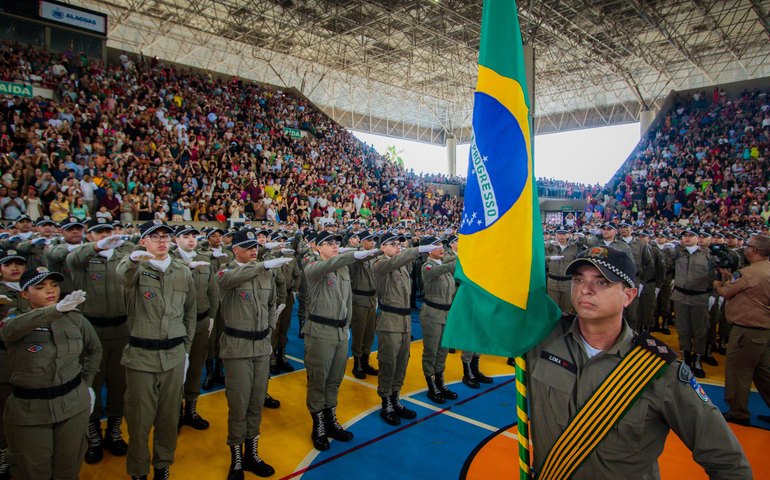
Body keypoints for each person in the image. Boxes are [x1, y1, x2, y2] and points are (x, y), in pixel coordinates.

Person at [527, 246, 752, 479]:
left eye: (602, 282)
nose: (585, 289)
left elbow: (728, 462)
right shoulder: (542, 340)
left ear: (628, 296)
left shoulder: (658, 370)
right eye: (578, 279)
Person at [2, 272, 101, 480]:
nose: (50, 290)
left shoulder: (74, 318)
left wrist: (88, 384)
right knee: (33, 469)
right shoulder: (14, 319)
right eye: (40, 287)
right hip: (31, 410)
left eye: (54, 285)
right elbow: (10, 331)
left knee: (69, 466)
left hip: (73, 403)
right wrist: (54, 310)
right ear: (25, 294)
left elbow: (94, 349)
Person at [117, 219, 196, 480]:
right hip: (141, 357)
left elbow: (189, 312)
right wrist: (132, 259)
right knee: (139, 421)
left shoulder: (182, 271)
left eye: (165, 236)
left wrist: (186, 349)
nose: (162, 241)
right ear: (143, 241)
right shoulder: (136, 269)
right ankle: (139, 472)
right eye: (155, 236)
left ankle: (163, 466)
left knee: (169, 418)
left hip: (173, 356)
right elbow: (122, 276)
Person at [216, 229, 292, 479]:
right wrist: (262, 266)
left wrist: (269, 329)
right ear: (234, 249)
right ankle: (236, 458)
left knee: (256, 402)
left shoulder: (264, 273)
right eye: (248, 246)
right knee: (239, 404)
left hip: (260, 346)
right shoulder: (225, 271)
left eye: (255, 246)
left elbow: (271, 305)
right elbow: (228, 281)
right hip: (237, 348)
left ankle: (252, 454)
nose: (253, 250)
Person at [302, 231, 379, 450]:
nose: (334, 245)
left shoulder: (343, 268)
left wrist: (346, 327)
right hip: (320, 331)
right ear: (317, 247)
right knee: (318, 380)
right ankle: (318, 425)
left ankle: (330, 420)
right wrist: (354, 254)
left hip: (340, 332)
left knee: (334, 379)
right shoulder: (312, 266)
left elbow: (347, 300)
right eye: (328, 243)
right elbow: (329, 264)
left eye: (336, 242)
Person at [66, 217, 130, 464]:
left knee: (119, 384)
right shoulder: (83, 258)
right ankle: (93, 436)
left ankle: (114, 431)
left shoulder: (123, 256)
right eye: (98, 232)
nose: (104, 235)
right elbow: (73, 259)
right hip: (91, 330)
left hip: (121, 328)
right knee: (91, 383)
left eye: (108, 231)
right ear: (89, 235)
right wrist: (95, 247)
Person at [372, 232, 440, 426]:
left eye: (399, 244)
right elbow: (394, 262)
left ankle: (396, 398)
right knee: (388, 361)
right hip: (389, 319)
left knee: (402, 361)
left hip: (405, 320)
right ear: (382, 247)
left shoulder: (401, 266)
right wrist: (418, 249)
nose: (397, 246)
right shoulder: (379, 264)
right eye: (392, 244)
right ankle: (386, 402)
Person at [715, 235, 770, 426]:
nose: (746, 248)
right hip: (764, 330)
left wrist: (717, 284)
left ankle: (738, 411)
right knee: (764, 374)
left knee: (739, 371)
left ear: (755, 250)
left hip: (747, 331)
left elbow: (726, 292)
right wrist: (730, 278)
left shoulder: (747, 273)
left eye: (749, 245)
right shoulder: (765, 269)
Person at [172, 225, 218, 431]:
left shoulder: (204, 259)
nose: (191, 239)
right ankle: (174, 412)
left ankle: (191, 408)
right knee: (176, 369)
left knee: (196, 366)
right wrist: (186, 265)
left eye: (194, 235)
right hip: (177, 324)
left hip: (200, 321)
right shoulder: (168, 260)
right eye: (185, 236)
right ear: (176, 240)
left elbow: (212, 290)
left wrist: (212, 316)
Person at [671, 229, 715, 378]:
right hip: (680, 296)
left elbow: (716, 275)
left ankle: (697, 359)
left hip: (699, 297)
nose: (687, 238)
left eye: (691, 235)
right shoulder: (677, 253)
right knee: (683, 329)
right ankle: (685, 357)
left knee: (700, 330)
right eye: (685, 236)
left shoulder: (708, 254)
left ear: (698, 238)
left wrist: (713, 295)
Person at [418, 236, 458, 404]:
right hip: (432, 314)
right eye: (435, 246)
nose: (441, 248)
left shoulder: (443, 267)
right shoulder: (428, 267)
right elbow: (444, 268)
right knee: (431, 351)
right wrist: (465, 258)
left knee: (443, 350)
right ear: (427, 250)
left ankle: (440, 382)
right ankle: (431, 384)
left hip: (446, 314)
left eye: (441, 245)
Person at [0, 249, 28, 478]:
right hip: (5, 358)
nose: (15, 268)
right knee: (4, 410)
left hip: (32, 357)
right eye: (9, 264)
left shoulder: (35, 288)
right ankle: (4, 455)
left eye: (19, 263)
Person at [348, 231, 380, 379]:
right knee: (359, 332)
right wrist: (379, 251)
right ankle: (357, 363)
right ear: (361, 242)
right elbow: (361, 259)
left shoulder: (374, 257)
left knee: (369, 332)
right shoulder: (356, 256)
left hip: (372, 298)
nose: (372, 242)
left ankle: (365, 361)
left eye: (373, 240)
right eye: (369, 240)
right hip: (359, 298)